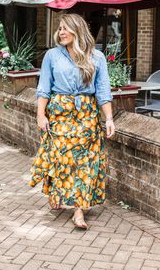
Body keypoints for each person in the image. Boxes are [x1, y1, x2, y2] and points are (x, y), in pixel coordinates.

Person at [29, 13, 115, 229]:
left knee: (86, 164)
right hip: (60, 116)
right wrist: (41, 115)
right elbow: (44, 88)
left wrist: (109, 118)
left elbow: (103, 91)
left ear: (78, 30)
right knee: (61, 160)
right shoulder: (52, 55)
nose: (62, 32)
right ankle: (58, 195)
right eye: (60, 28)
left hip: (86, 117)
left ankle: (79, 211)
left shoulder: (97, 57)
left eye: (66, 28)